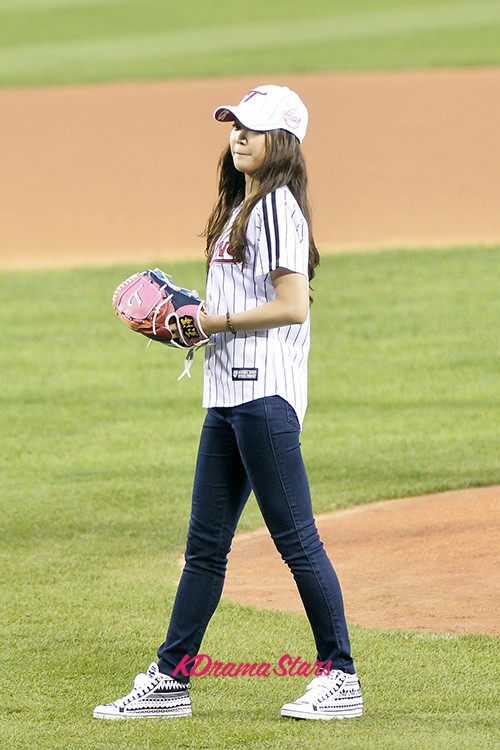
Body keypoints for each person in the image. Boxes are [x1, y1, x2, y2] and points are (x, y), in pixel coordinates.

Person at [93, 84, 363, 721]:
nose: (240, 135)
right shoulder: (242, 209)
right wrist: (196, 315)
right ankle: (170, 680)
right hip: (229, 398)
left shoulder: (275, 210)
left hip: (263, 399)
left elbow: (293, 305)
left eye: (255, 128)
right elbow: (242, 302)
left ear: (284, 142)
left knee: (296, 539)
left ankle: (340, 675)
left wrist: (210, 324)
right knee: (206, 546)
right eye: (235, 124)